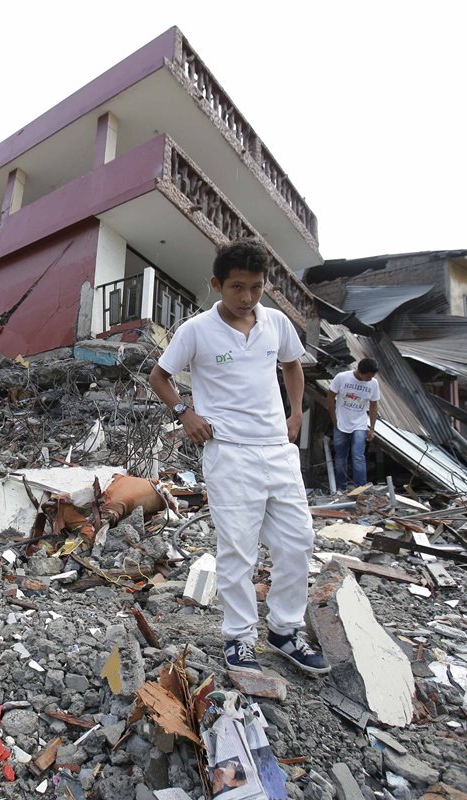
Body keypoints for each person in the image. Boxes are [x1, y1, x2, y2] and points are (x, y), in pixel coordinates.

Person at [149, 238, 329, 677]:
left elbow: (292, 365)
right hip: (229, 452)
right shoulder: (196, 330)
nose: (247, 298)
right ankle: (239, 638)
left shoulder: (277, 324)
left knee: (297, 541)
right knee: (238, 551)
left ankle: (285, 632)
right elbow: (159, 375)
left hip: (277, 451)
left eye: (255, 287)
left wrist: (295, 412)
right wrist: (184, 413)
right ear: (217, 284)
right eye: (237, 288)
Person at [327, 358, 381, 488]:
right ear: (360, 372)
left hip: (360, 424)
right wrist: (334, 419)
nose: (370, 379)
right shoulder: (342, 378)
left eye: (372, 377)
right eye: (368, 376)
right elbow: (329, 396)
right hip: (341, 423)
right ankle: (341, 488)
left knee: (358, 456)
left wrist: (372, 428)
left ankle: (361, 489)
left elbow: (373, 405)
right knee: (340, 457)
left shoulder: (373, 383)